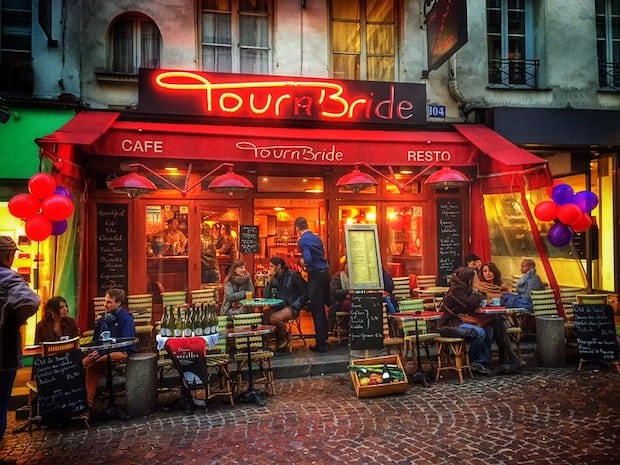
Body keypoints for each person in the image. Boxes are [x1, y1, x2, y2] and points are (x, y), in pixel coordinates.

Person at [0, 237, 40, 443]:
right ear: (9, 256)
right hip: (3, 349)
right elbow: (31, 301)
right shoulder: (8, 277)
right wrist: (15, 317)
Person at [82, 288, 135, 410]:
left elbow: (125, 343)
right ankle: (78, 402)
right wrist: (92, 351)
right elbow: (95, 340)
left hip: (122, 353)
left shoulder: (126, 318)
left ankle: (87, 405)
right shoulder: (103, 319)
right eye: (105, 301)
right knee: (80, 365)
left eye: (109, 302)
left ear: (118, 303)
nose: (105, 305)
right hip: (102, 352)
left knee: (94, 364)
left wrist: (101, 352)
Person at [436, 266, 491, 375]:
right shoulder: (456, 290)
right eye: (474, 278)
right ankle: (472, 361)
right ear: (468, 279)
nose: (477, 280)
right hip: (450, 325)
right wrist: (476, 292)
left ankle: (482, 361)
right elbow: (469, 303)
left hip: (460, 322)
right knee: (479, 332)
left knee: (489, 329)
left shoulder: (465, 290)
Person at [295, 217, 330, 353]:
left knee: (316, 309)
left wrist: (302, 261)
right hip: (325, 273)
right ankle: (325, 337)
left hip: (315, 275)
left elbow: (308, 259)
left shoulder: (303, 240)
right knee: (322, 307)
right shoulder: (317, 238)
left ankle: (320, 344)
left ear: (297, 228)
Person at [263, 256, 308, 352]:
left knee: (274, 318)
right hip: (279, 306)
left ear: (278, 266)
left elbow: (305, 290)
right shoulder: (274, 278)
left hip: (292, 306)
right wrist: (269, 282)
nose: (270, 268)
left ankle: (284, 337)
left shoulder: (293, 275)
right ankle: (268, 342)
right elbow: (266, 297)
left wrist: (298, 304)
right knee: (264, 315)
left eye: (271, 266)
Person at [328, 258, 351, 334]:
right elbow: (334, 292)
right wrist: (347, 292)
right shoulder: (337, 277)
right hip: (339, 302)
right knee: (352, 304)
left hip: (351, 299)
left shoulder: (355, 279)